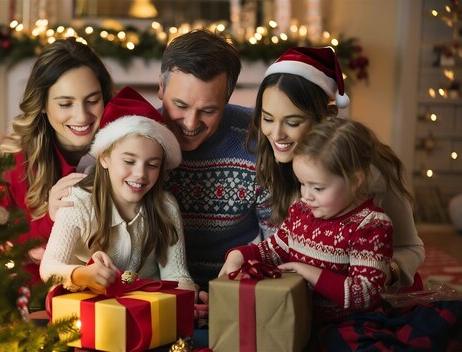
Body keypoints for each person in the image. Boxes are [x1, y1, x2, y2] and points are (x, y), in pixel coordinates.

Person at [246, 46, 424, 289]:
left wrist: (385, 274)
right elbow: (277, 244)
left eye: (293, 122)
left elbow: (410, 247)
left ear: (326, 116)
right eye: (267, 119)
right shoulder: (269, 160)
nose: (276, 134)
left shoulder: (372, 172)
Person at [219, 118, 394, 345]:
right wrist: (239, 254)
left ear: (355, 180)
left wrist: (308, 272)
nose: (306, 195)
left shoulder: (370, 226)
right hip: (297, 320)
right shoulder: (302, 211)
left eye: (318, 188)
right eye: (302, 183)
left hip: (348, 327)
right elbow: (274, 249)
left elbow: (366, 293)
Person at [39, 87, 195, 293]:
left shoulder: (165, 206)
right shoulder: (78, 202)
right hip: (89, 311)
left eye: (152, 164)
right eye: (129, 161)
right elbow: (49, 268)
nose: (140, 173)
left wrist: (187, 297)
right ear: (104, 158)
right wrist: (82, 274)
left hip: (146, 309)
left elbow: (176, 274)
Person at [158, 29, 275, 292]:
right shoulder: (135, 138)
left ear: (227, 99)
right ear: (161, 87)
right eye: (180, 105)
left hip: (240, 285)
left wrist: (234, 287)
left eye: (208, 110)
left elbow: (278, 239)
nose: (190, 123)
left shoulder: (260, 139)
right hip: (155, 289)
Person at [0, 38, 115, 286]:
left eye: (92, 100)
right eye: (65, 104)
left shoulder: (126, 148)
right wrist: (49, 218)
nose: (82, 116)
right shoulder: (18, 161)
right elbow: (2, 239)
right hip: (40, 301)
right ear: (42, 104)